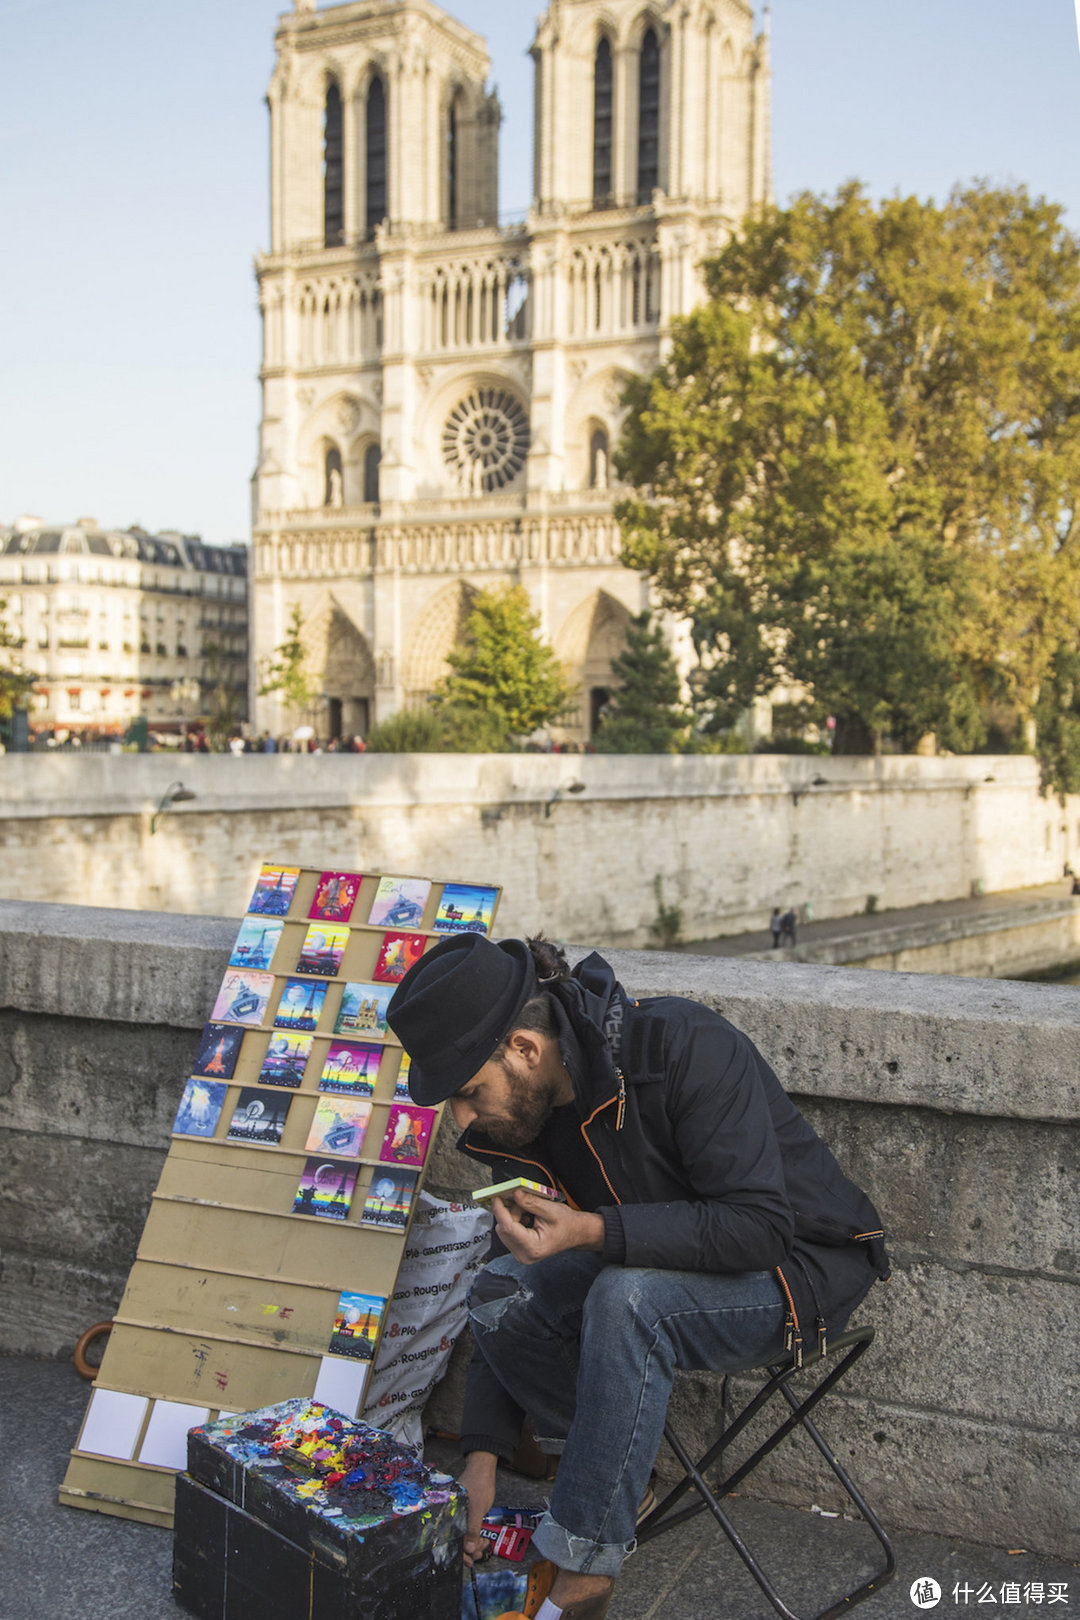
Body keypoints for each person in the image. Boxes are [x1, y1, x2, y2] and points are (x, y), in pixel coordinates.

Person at [387, 935, 888, 1620]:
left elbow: (758, 1228)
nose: (460, 1121)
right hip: (658, 1265)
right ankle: (618, 1482)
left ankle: (584, 1573)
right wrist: (480, 1458)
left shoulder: (682, 1047)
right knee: (500, 1287)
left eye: (468, 1093)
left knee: (625, 1300)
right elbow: (524, 1276)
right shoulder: (520, 1122)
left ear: (526, 1049)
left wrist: (589, 1231)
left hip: (798, 1269)